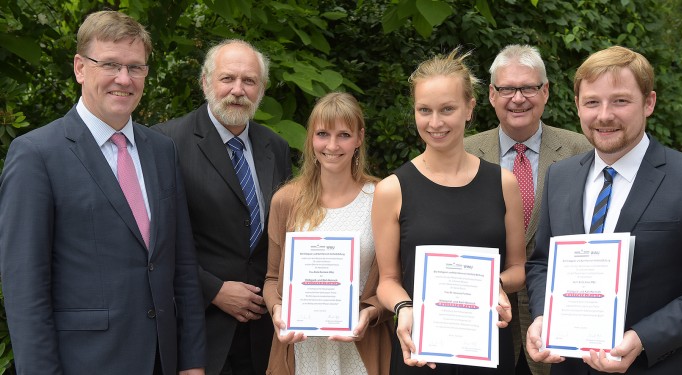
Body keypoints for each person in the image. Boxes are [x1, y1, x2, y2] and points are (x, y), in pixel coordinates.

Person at [0, 10, 206, 374]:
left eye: (136, 67)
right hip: (84, 362)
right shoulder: (36, 154)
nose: (124, 79)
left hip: (163, 361)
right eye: (110, 64)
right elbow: (25, 288)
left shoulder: (162, 150)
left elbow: (182, 267)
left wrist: (192, 362)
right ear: (80, 68)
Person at [525, 45, 682, 374]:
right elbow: (543, 262)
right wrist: (545, 316)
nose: (604, 115)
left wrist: (644, 337)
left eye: (620, 100)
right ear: (577, 106)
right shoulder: (561, 176)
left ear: (649, 103)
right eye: (592, 102)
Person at [373, 48, 527, 374]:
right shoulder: (392, 189)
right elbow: (387, 280)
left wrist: (490, 285)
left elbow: (518, 268)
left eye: (447, 109)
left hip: (486, 350)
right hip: (420, 351)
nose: (435, 122)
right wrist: (404, 307)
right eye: (424, 110)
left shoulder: (503, 183)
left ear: (470, 108)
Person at [153, 39, 292, 375]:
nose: (238, 90)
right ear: (205, 82)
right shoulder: (164, 143)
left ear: (261, 89)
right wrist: (213, 289)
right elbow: (155, 241)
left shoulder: (276, 146)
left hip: (264, 330)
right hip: (198, 330)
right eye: (227, 78)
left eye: (249, 81)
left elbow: (285, 233)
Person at [464, 44, 591, 375]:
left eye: (528, 87)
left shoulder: (582, 151)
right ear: (491, 95)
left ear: (545, 91)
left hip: (558, 323)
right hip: (481, 323)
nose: (517, 98)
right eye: (506, 88)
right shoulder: (463, 153)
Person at [263, 92, 392, 374]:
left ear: (359, 138)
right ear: (311, 138)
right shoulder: (286, 200)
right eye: (323, 133)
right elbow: (272, 279)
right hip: (300, 350)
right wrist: (277, 311)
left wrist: (370, 314)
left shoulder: (381, 197)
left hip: (360, 349)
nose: (332, 145)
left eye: (343, 135)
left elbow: (394, 281)